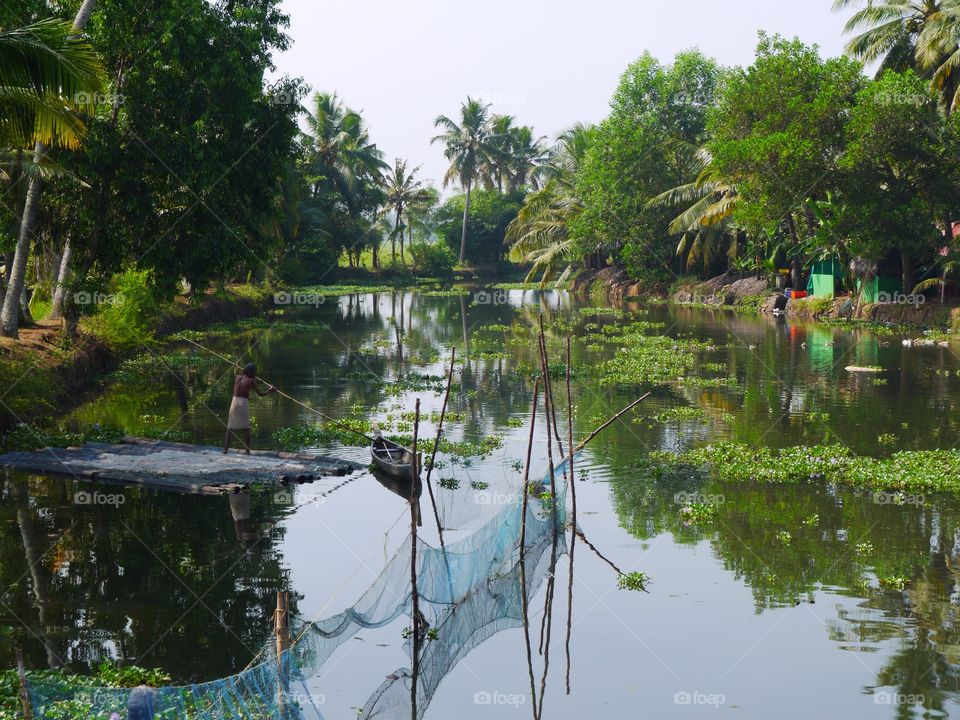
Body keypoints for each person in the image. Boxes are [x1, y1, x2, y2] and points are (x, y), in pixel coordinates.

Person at [224, 363, 276, 454]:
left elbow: (247, 380)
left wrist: (252, 378)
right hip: (243, 403)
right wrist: (270, 391)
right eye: (254, 372)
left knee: (230, 427)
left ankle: (225, 450)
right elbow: (260, 394)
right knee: (246, 428)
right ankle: (247, 451)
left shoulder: (237, 377)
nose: (255, 374)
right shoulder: (252, 381)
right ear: (250, 372)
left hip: (234, 402)